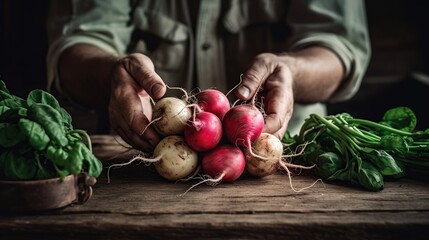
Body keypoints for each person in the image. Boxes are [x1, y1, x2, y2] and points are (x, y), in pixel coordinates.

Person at [46, 0, 371, 153]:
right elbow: (74, 45)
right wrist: (111, 76)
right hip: (142, 156)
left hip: (284, 148)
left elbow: (339, 48)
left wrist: (293, 73)